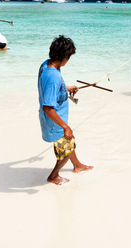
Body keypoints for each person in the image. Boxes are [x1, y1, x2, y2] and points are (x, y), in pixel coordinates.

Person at [38, 35, 93, 185]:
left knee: (68, 143)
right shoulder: (53, 77)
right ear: (64, 57)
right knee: (67, 148)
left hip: (55, 120)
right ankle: (53, 176)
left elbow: (49, 89)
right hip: (55, 121)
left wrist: (66, 88)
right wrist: (65, 127)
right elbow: (48, 107)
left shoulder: (46, 65)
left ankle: (77, 166)